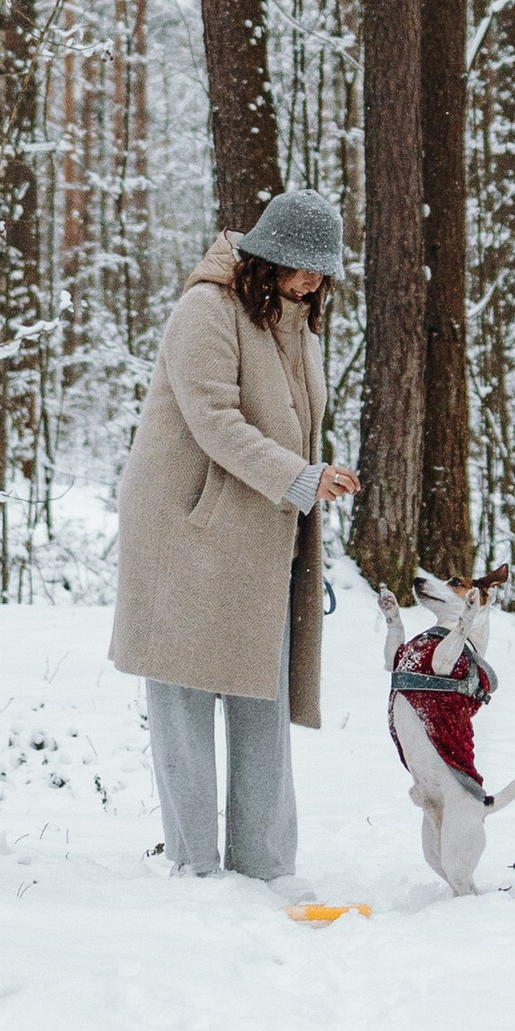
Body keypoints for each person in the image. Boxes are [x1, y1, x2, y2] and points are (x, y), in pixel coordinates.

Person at [109, 187, 361, 882]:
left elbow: (290, 423)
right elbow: (214, 420)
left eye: (321, 272)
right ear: (267, 256)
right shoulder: (206, 310)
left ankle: (265, 869)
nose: (311, 282)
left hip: (257, 532)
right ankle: (194, 870)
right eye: (300, 268)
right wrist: (301, 477)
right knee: (184, 700)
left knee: (262, 700)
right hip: (184, 528)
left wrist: (313, 477)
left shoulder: (297, 324)